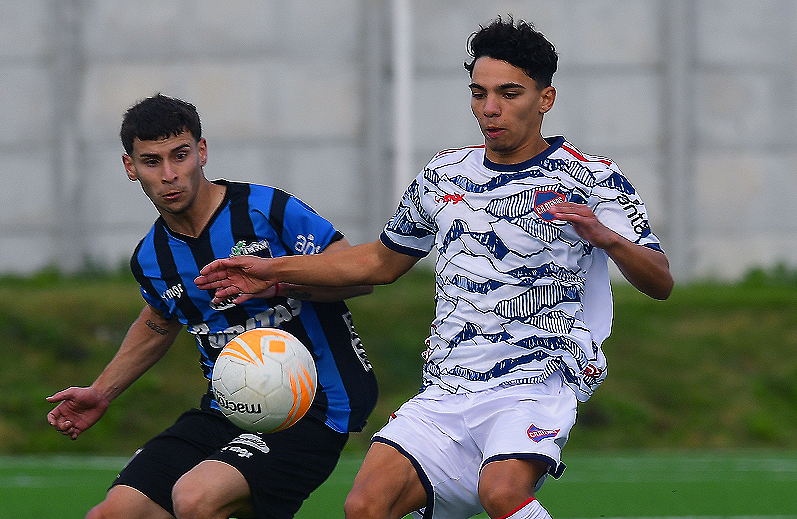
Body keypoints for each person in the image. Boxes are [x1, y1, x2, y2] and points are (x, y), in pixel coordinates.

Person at [195, 16, 673, 519]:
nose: (490, 109)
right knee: (364, 507)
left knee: (504, 493)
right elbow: (378, 261)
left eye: (509, 94)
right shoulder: (444, 175)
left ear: (545, 99)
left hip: (536, 380)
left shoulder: (592, 178)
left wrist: (606, 237)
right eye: (479, 93)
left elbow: (659, 280)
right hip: (447, 388)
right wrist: (272, 272)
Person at [46, 93, 378, 519]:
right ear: (131, 168)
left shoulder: (265, 209)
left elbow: (358, 276)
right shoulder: (151, 257)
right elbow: (162, 318)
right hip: (231, 407)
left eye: (180, 156)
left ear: (201, 152)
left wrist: (276, 282)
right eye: (152, 162)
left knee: (198, 497)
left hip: (315, 402)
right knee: (113, 514)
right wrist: (102, 392)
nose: (170, 175)